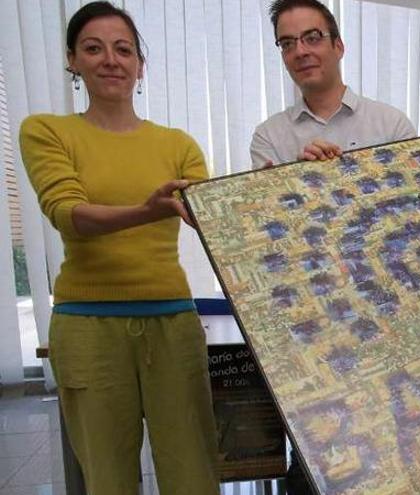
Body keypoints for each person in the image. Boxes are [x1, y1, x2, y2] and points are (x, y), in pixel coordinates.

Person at [19, 2, 220, 493]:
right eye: (94, 48)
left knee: (193, 474)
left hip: (173, 324)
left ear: (140, 65)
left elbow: (215, 218)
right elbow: (68, 212)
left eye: (123, 49)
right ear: (73, 61)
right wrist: (148, 210)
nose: (111, 59)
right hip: (87, 328)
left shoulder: (178, 144)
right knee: (108, 479)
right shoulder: (46, 131)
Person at [251, 0, 415, 167]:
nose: (300, 52)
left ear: (338, 47)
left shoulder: (393, 126)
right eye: (287, 44)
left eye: (312, 38)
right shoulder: (267, 138)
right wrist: (299, 177)